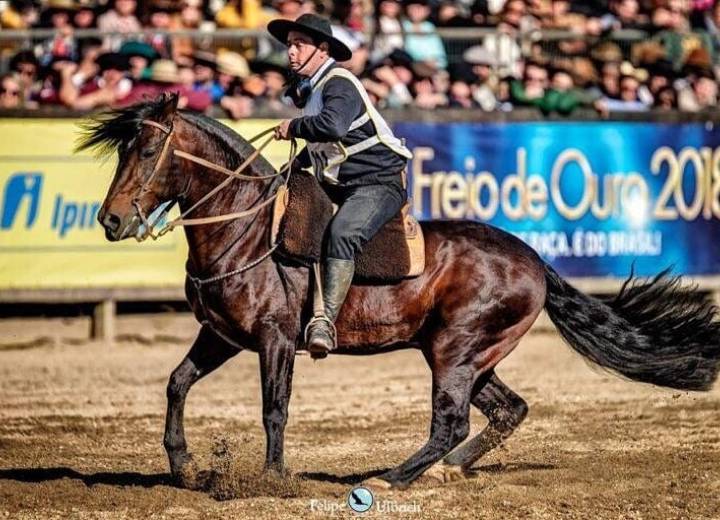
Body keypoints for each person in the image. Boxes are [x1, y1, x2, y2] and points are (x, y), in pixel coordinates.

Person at [268, 13, 412, 359]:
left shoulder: (338, 82)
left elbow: (332, 128)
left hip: (377, 183)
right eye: (289, 45)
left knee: (343, 233)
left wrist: (295, 127)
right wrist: (288, 169)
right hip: (343, 184)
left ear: (321, 49)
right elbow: (326, 148)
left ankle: (324, 323)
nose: (290, 52)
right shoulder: (313, 89)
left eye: (298, 45)